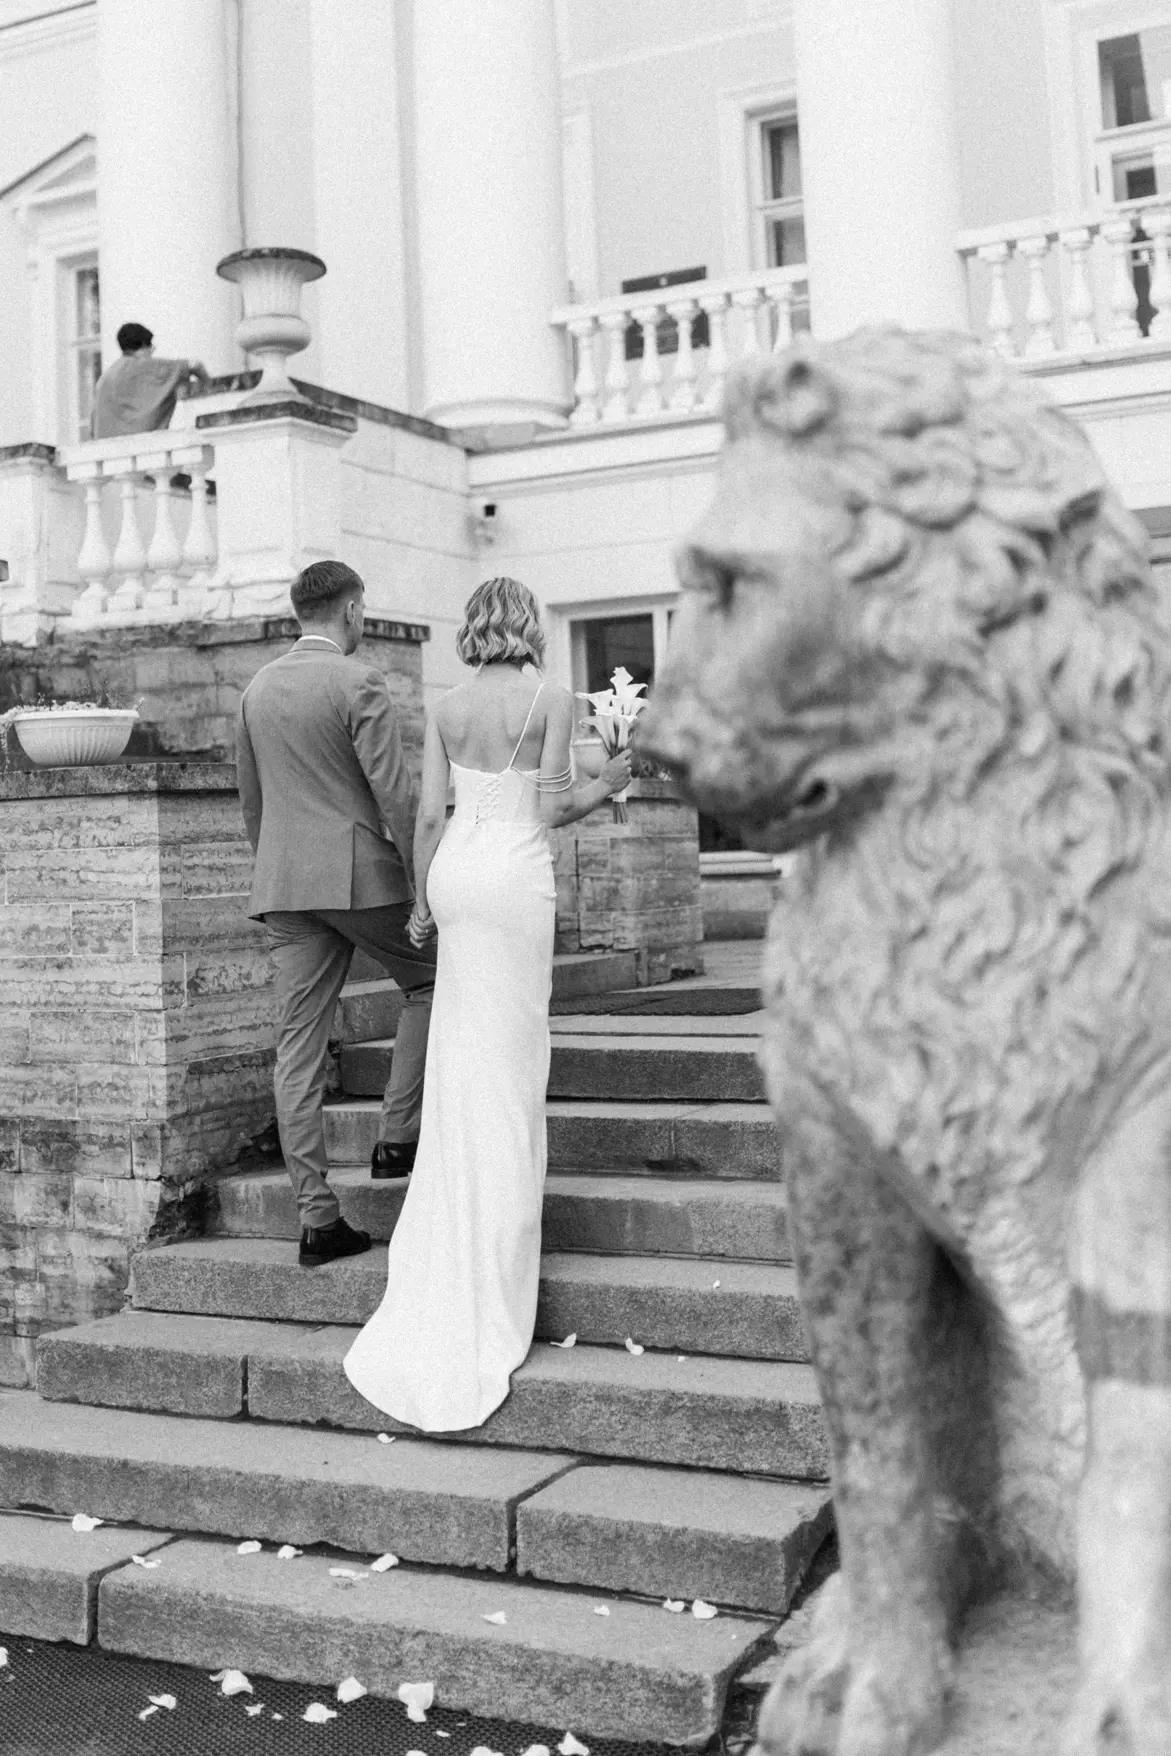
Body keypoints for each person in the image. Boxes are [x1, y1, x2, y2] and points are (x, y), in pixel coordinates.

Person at [343, 576, 632, 1432]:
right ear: (528, 625)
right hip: (511, 875)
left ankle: (452, 1227)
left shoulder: (445, 703)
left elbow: (429, 811)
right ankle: (496, 1253)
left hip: (458, 873)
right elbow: (551, 807)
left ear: (473, 627)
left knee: (464, 1055)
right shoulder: (546, 695)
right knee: (509, 1061)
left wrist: (424, 899)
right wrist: (613, 778)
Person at [235, 559, 437, 1269]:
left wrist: (279, 874)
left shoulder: (257, 688)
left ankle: (318, 1218)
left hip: (284, 885)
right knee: (428, 983)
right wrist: (423, 889)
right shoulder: (359, 681)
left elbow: (251, 801)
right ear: (351, 609)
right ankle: (395, 1140)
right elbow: (397, 796)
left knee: (297, 1046)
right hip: (359, 879)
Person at [90, 321, 209, 439]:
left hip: (108, 451)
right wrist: (207, 384)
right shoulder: (148, 367)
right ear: (144, 345)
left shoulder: (105, 377)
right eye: (151, 348)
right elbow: (195, 364)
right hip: (144, 448)